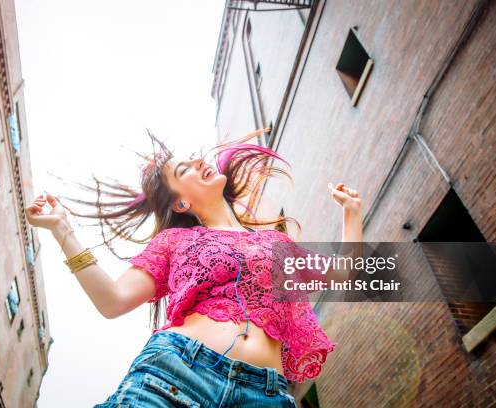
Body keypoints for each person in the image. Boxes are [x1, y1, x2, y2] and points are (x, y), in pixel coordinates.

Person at [24, 128, 363, 407]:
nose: (200, 160)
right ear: (181, 203)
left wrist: (352, 212)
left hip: (264, 395)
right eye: (184, 169)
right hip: (177, 374)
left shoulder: (277, 246)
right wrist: (62, 230)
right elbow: (112, 301)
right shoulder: (174, 242)